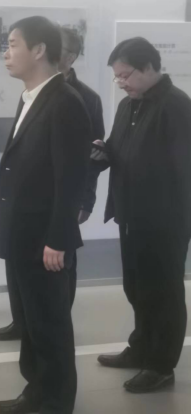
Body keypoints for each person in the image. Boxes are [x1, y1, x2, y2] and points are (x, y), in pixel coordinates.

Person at [0, 17, 91, 414]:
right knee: (32, 324)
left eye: (13, 44)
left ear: (38, 50)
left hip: (44, 240)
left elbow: (70, 179)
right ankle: (36, 391)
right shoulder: (31, 96)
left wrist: (58, 238)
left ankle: (56, 402)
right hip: (23, 233)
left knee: (50, 325)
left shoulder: (65, 102)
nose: (6, 52)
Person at [93, 38, 191, 394]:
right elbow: (120, 149)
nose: (121, 82)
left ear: (149, 67)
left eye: (126, 75)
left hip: (164, 221)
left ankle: (161, 366)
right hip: (131, 215)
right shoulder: (128, 105)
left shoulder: (176, 106)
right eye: (117, 76)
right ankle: (141, 348)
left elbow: (184, 169)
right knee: (136, 287)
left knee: (163, 292)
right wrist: (102, 152)